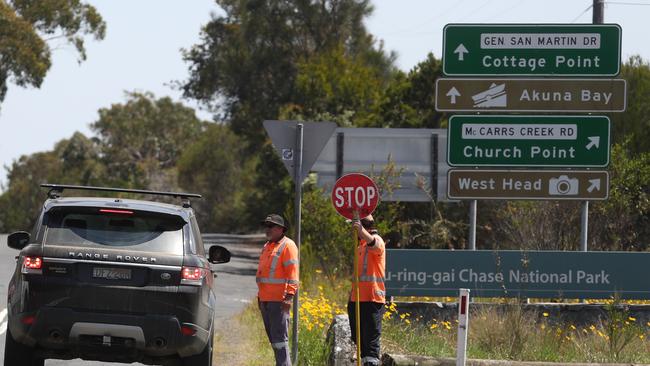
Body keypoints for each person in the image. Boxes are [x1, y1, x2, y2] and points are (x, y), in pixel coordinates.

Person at [256, 214, 299, 366]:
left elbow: (293, 274)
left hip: (279, 302)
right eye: (266, 226)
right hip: (265, 301)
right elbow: (263, 273)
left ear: (280, 229)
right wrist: (260, 297)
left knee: (280, 341)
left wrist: (289, 297)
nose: (267, 229)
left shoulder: (288, 246)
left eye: (271, 226)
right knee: (274, 341)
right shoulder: (267, 246)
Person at [348, 214, 386, 366]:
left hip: (372, 299)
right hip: (356, 299)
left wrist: (361, 230)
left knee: (370, 344)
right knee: (359, 340)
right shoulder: (360, 246)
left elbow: (374, 244)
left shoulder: (377, 241)